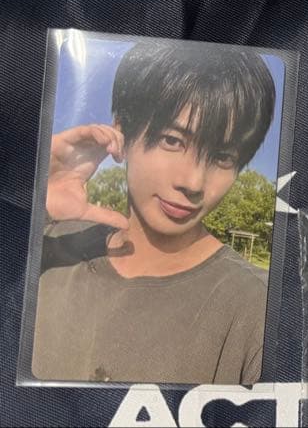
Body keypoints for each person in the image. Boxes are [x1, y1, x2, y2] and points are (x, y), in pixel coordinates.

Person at [33, 42, 276, 384]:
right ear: (122, 132)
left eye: (223, 157)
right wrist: (31, 201)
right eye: (173, 141)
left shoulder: (258, 309)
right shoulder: (46, 245)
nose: (193, 182)